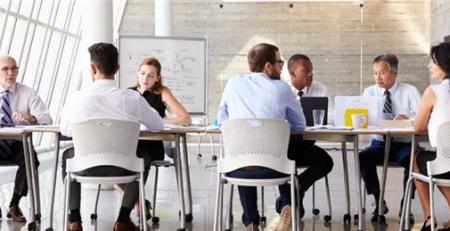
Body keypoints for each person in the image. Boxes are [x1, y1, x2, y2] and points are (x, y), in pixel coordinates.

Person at [217, 43, 333, 231]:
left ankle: (251, 221)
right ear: (268, 66)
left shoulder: (233, 83)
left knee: (245, 154)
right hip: (276, 163)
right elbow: (300, 126)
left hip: (237, 165)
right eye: (280, 62)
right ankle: (288, 201)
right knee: (306, 156)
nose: (282, 67)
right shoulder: (282, 88)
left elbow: (221, 118)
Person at [60, 43, 164, 231]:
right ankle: (123, 219)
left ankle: (74, 219)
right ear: (117, 69)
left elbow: (66, 130)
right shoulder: (132, 98)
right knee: (143, 157)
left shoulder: (76, 98)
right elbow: (158, 126)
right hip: (124, 168)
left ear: (92, 68)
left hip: (85, 167)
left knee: (67, 156)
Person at [126, 57, 191, 218]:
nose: (145, 78)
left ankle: (131, 208)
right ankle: (139, 201)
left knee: (141, 159)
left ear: (157, 77)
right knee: (116, 161)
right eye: (142, 73)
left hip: (152, 146)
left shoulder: (162, 92)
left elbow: (185, 118)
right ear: (137, 74)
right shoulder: (129, 93)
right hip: (130, 143)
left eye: (151, 75)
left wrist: (159, 121)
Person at [359, 53, 421, 221]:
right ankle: (379, 201)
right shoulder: (369, 92)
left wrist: (407, 119)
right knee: (363, 157)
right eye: (375, 73)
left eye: (382, 72)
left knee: (414, 160)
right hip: (379, 144)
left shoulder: (410, 91)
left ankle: (405, 203)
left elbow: (421, 119)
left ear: (394, 72)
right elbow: (363, 119)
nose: (378, 77)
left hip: (404, 144)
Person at [0, 55, 52, 223]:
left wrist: (31, 118)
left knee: (30, 159)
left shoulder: (27, 92)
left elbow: (46, 118)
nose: (10, 73)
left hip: (17, 143)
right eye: (5, 69)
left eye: (14, 68)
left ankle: (14, 204)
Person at [287, 53, 334, 213]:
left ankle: (299, 184)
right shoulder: (282, 89)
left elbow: (330, 115)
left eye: (311, 70)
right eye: (306, 70)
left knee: (326, 161)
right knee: (284, 165)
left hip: (306, 143)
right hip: (283, 144)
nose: (310, 74)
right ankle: (286, 205)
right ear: (292, 73)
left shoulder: (320, 89)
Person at [413, 42, 450, 231]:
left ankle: (429, 218)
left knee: (417, 159)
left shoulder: (433, 91)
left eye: (433, 62)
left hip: (445, 162)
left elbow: (418, 127)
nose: (430, 66)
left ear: (444, 65)